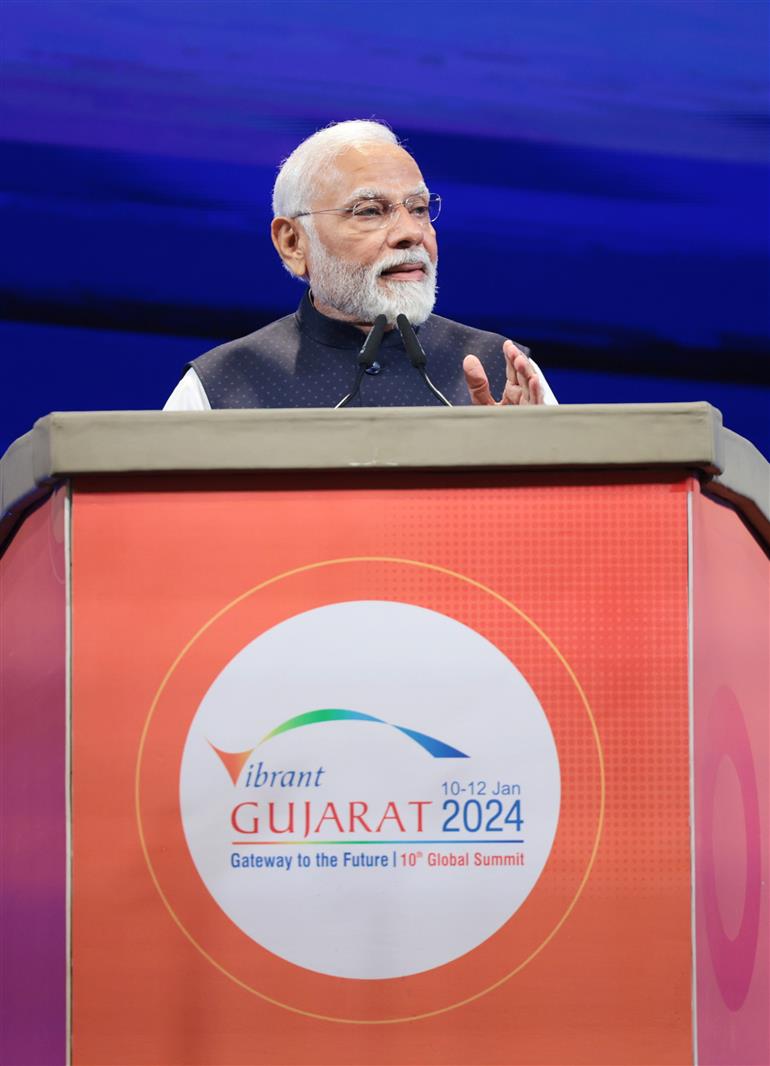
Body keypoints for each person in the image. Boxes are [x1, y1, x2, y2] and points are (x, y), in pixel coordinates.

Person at [164, 120, 557, 411]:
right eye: (370, 211)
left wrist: (519, 461)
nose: (411, 233)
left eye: (419, 209)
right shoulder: (218, 388)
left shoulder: (507, 373)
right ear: (293, 242)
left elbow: (569, 518)